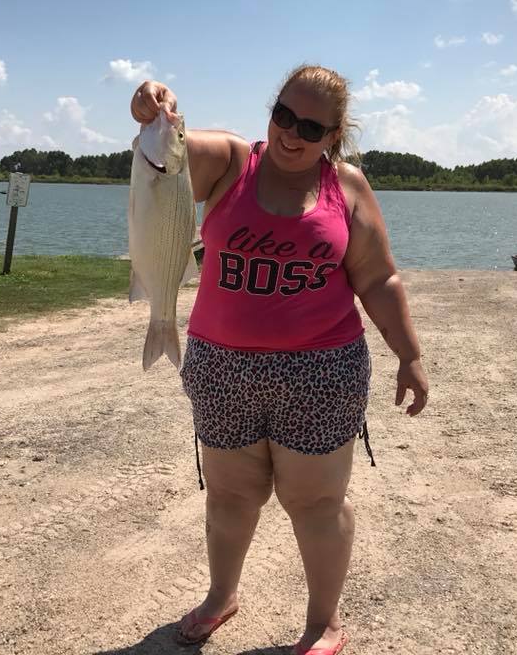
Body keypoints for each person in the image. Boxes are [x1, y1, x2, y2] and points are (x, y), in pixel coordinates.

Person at [130, 64, 429, 655]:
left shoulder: (348, 188)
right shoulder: (231, 163)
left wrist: (409, 354)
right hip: (222, 368)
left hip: (321, 374)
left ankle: (323, 622)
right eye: (284, 116)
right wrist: (152, 110)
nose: (293, 133)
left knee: (316, 503)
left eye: (311, 128)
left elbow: (378, 278)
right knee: (230, 496)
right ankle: (221, 596)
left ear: (334, 135)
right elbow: (171, 152)